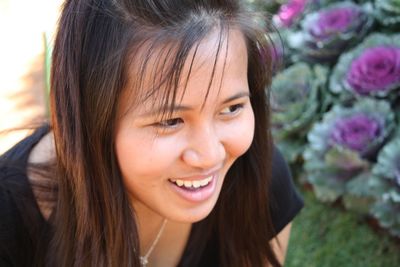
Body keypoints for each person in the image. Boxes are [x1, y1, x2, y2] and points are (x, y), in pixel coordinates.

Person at [0, 0, 303, 266]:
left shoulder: (259, 179)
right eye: (171, 121)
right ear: (93, 118)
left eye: (231, 108)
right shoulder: (9, 227)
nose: (211, 155)